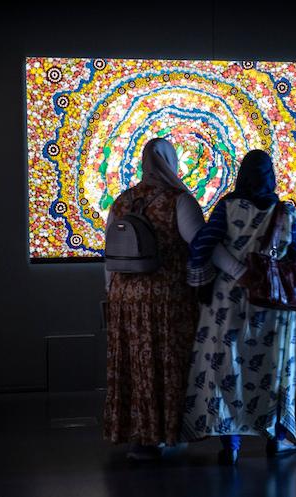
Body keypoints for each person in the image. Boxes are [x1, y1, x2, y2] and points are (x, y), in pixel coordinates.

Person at [103, 138, 243, 460]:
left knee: (137, 366)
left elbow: (107, 257)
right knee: (168, 364)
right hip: (167, 301)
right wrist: (239, 270)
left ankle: (142, 439)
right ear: (170, 162)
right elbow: (203, 243)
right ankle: (168, 432)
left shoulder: (122, 202)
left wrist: (112, 293)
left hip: (127, 300)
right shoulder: (178, 200)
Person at [180, 149, 296, 465]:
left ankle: (231, 446)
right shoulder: (287, 212)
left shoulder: (227, 208)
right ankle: (277, 441)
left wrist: (204, 281)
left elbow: (202, 244)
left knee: (228, 369)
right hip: (272, 307)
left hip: (229, 302)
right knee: (274, 371)